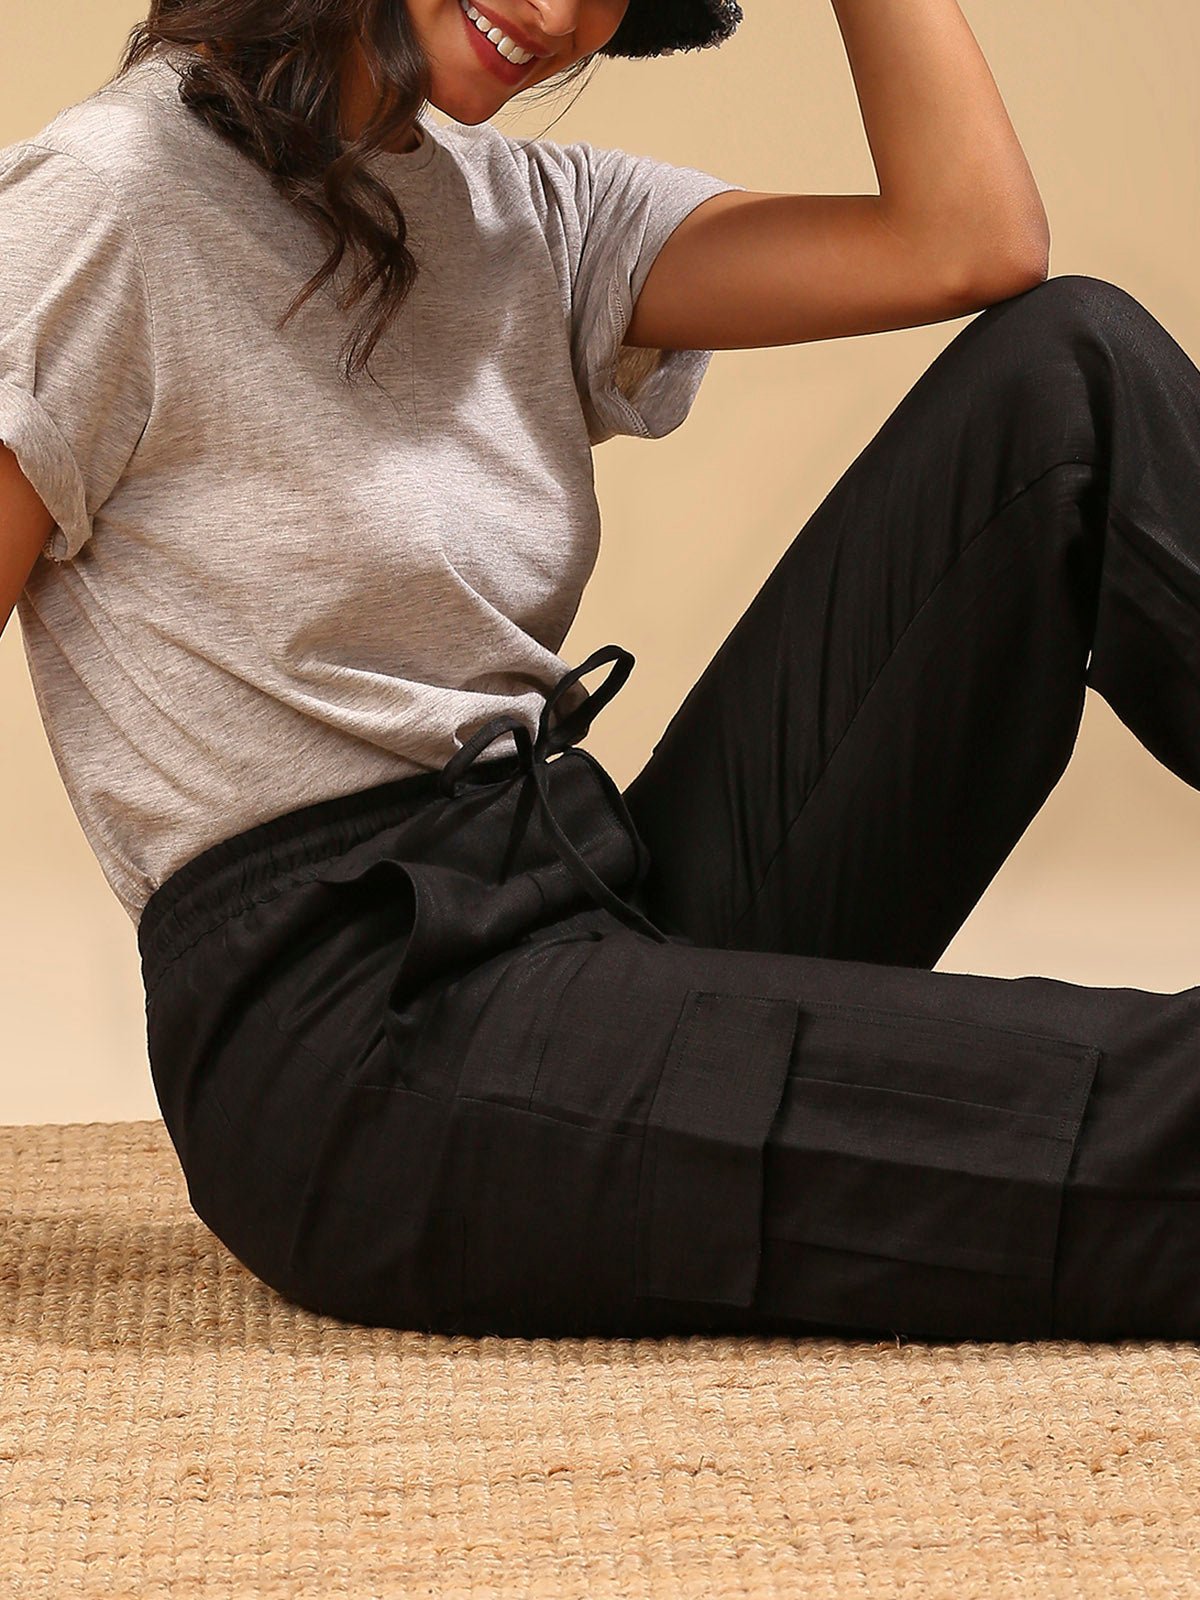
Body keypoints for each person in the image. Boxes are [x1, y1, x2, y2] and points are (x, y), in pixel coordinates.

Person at [2, 0, 1199, 1348]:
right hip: (358, 1040)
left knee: (1072, 374)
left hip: (590, 894)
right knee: (1140, 1107)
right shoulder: (102, 201)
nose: (560, 11)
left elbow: (973, 241)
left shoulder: (530, 212)